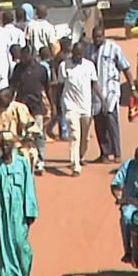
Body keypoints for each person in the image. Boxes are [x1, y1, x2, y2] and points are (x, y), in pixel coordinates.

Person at [0, 132, 39, 276]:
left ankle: (20, 271)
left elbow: (29, 188)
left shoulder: (22, 164)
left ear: (13, 145)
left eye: (8, 144)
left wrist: (30, 211)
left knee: (20, 243)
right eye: (3, 144)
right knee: (1, 245)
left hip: (18, 214)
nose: (5, 147)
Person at [86, 26, 135, 163]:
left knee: (111, 120)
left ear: (104, 36)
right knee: (99, 123)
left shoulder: (114, 48)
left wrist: (132, 86)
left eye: (100, 37)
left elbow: (125, 68)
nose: (97, 39)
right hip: (95, 93)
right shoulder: (88, 50)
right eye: (95, 37)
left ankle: (117, 153)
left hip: (111, 91)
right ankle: (104, 153)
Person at [58, 42, 100, 176]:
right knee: (75, 135)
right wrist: (57, 105)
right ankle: (75, 165)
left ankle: (80, 156)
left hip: (86, 106)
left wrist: (102, 99)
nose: (77, 56)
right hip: (70, 105)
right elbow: (60, 86)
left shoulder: (89, 65)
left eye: (80, 54)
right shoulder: (64, 66)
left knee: (85, 137)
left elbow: (94, 84)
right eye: (75, 54)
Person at [10, 47, 53, 172]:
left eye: (27, 56)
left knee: (38, 134)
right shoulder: (18, 69)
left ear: (33, 55)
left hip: (37, 106)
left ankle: (40, 160)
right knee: (21, 134)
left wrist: (51, 104)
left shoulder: (41, 70)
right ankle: (21, 158)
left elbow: (47, 87)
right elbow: (13, 86)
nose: (24, 59)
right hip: (21, 106)